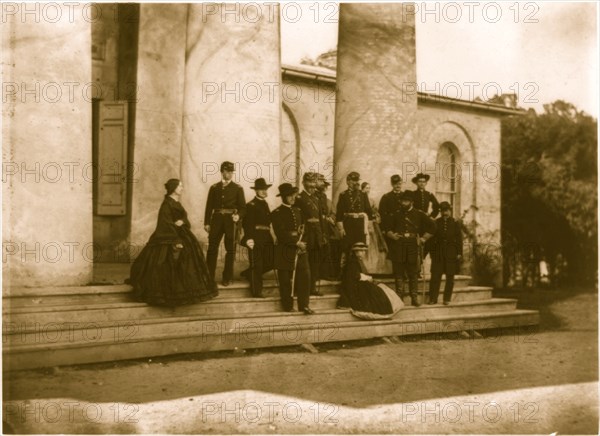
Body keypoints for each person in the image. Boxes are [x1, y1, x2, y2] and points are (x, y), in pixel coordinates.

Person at [129, 179, 218, 306]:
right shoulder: (166, 204)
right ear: (173, 188)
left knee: (187, 265)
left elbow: (184, 217)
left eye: (181, 186)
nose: (182, 188)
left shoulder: (176, 202)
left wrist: (183, 221)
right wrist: (176, 241)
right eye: (180, 186)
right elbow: (165, 224)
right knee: (166, 265)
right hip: (170, 237)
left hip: (182, 234)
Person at [381, 191, 435, 306]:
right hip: (399, 245)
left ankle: (414, 297)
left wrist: (423, 239)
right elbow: (387, 227)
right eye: (402, 201)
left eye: (406, 201)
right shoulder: (396, 214)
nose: (403, 203)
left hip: (412, 245)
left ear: (411, 202)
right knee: (399, 273)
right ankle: (399, 297)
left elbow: (433, 226)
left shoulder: (419, 214)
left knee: (413, 272)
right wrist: (392, 235)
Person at [271, 183, 314, 314]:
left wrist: (303, 243)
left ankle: (304, 305)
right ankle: (288, 306)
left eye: (293, 195)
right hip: (285, 250)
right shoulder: (276, 213)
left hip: (300, 249)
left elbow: (304, 229)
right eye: (289, 196)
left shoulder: (298, 211)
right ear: (283, 197)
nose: (292, 198)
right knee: (285, 280)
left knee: (304, 277)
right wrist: (296, 243)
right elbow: (280, 233)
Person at [204, 161, 246, 286]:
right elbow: (209, 206)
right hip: (216, 220)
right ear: (222, 172)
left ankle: (226, 277)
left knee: (231, 250)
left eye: (231, 172)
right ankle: (209, 278)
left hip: (230, 222)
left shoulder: (238, 188)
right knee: (212, 249)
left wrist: (238, 216)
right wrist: (206, 222)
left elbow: (243, 208)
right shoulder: (214, 187)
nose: (229, 174)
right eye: (227, 171)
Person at [338, 242, 404, 319]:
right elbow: (355, 276)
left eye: (364, 251)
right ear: (356, 252)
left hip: (356, 282)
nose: (363, 253)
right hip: (354, 286)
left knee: (379, 287)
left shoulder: (356, 261)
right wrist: (367, 278)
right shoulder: (352, 262)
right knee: (375, 291)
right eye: (361, 251)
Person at [240, 178, 274, 298]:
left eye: (265, 189)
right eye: (261, 190)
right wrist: (249, 238)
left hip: (266, 237)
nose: (264, 192)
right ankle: (256, 291)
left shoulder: (264, 204)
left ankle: (249, 273)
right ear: (256, 191)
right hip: (255, 237)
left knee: (272, 260)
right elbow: (247, 223)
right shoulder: (251, 205)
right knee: (257, 264)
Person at [295, 172, 327, 296]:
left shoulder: (316, 198)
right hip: (306, 234)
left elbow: (320, 218)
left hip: (317, 235)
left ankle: (312, 288)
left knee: (315, 262)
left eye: (313, 182)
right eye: (309, 182)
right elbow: (297, 218)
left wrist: (323, 234)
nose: (312, 185)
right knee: (303, 264)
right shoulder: (299, 198)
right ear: (303, 183)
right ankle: (301, 289)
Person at [428, 201, 463, 305]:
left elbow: (459, 239)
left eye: (447, 211)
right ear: (440, 212)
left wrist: (459, 252)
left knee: (450, 277)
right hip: (438, 253)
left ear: (450, 211)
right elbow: (431, 238)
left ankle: (447, 299)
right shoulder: (436, 222)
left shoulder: (455, 223)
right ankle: (433, 298)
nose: (445, 213)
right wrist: (432, 253)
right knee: (435, 277)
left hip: (451, 253)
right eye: (443, 211)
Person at [336, 171, 374, 256]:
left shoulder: (363, 194)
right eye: (353, 180)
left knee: (360, 251)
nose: (356, 182)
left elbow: (368, 210)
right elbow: (339, 213)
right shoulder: (343, 195)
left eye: (357, 180)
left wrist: (370, 226)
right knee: (347, 250)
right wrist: (341, 229)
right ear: (348, 181)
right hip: (348, 225)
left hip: (361, 225)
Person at [316, 173, 341, 280]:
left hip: (328, 228)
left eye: (325, 184)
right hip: (318, 227)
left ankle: (328, 273)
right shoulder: (313, 197)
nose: (324, 187)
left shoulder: (327, 199)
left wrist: (330, 218)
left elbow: (333, 213)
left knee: (330, 248)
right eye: (321, 182)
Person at [361, 181, 388, 273]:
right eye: (365, 188)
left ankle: (374, 268)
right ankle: (365, 267)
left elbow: (375, 211)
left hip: (371, 223)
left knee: (374, 243)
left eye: (369, 188)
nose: (367, 190)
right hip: (363, 222)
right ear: (362, 189)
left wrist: (375, 216)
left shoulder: (371, 200)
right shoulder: (359, 199)